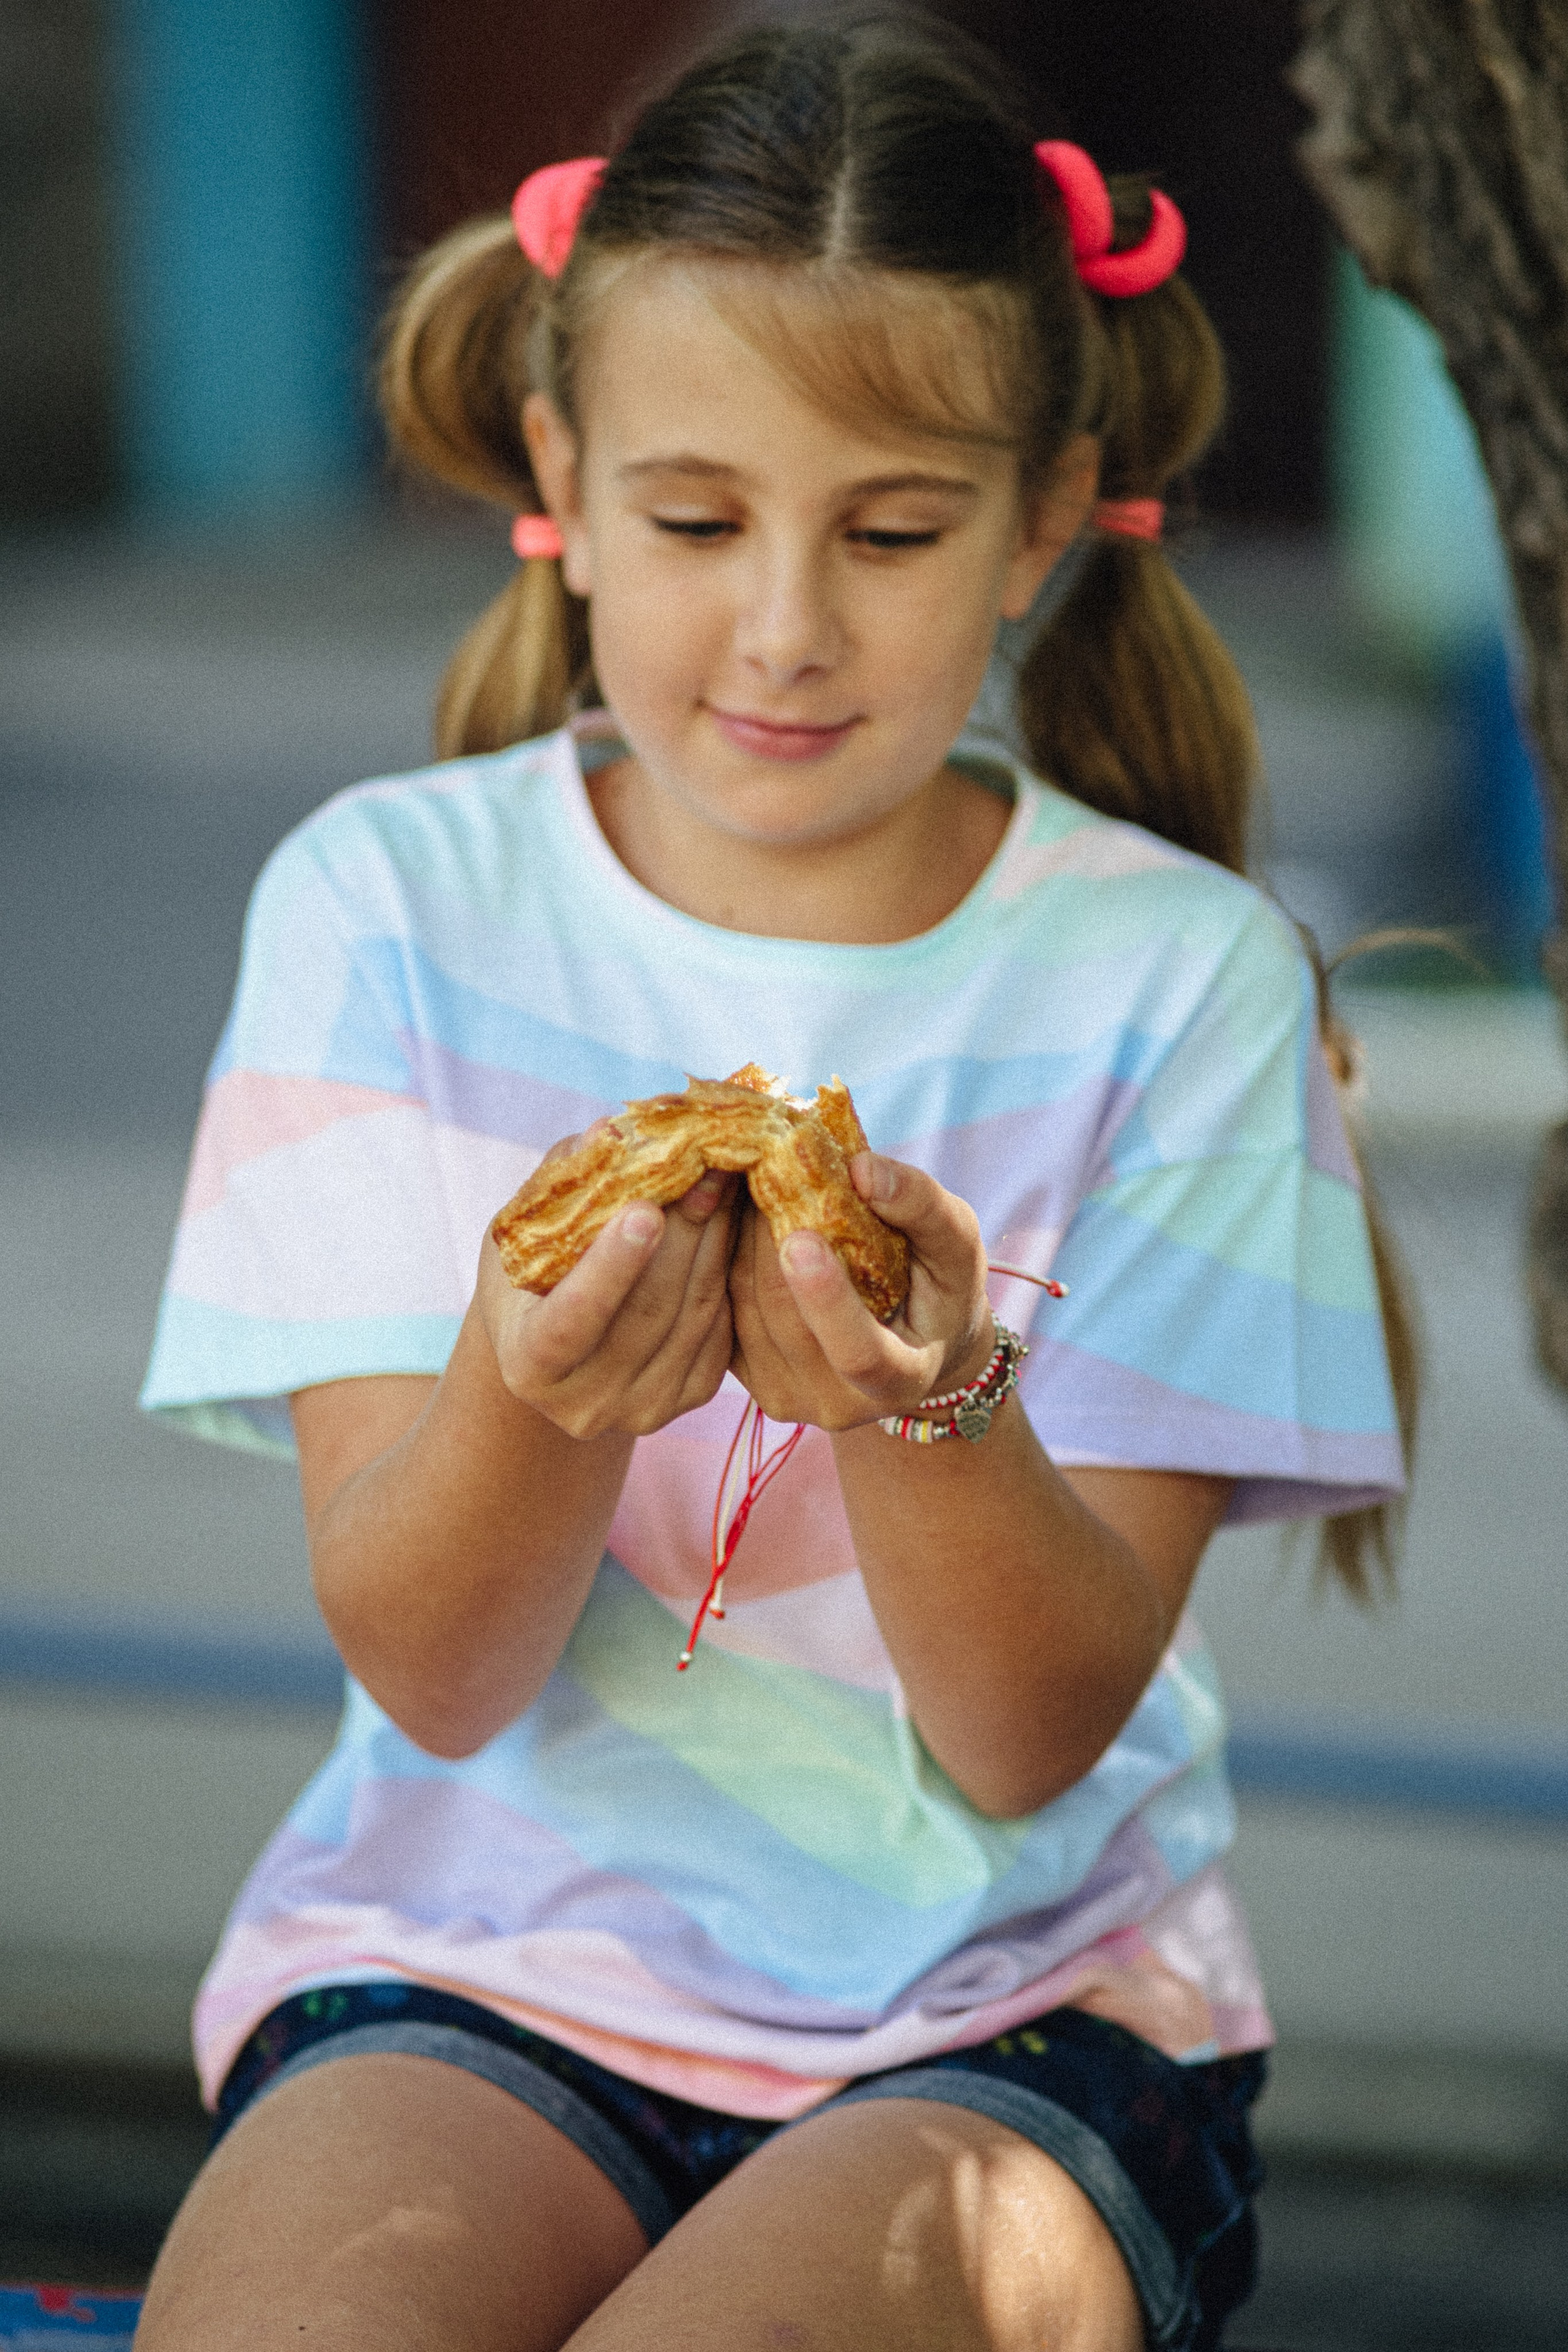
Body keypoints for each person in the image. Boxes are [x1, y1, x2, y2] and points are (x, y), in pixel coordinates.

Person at [135, 14, 1409, 2349]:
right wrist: (532, 1396)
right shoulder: (385, 908)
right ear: (562, 472)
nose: (791, 625)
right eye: (700, 521)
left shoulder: (1176, 981)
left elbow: (1026, 1738)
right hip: (471, 1961)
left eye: (892, 531)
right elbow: (433, 1673)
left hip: (1019, 2020)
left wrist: (932, 1406)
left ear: (1042, 517)